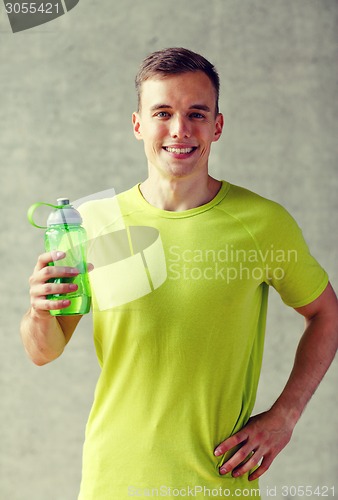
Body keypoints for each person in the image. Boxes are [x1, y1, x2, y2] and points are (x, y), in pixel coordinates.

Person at [21, 48, 338, 499]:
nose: (179, 130)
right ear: (137, 125)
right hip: (113, 482)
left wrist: (285, 416)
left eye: (196, 113)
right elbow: (43, 351)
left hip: (218, 484)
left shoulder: (263, 223)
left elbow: (327, 313)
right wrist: (38, 312)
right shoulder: (93, 223)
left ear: (217, 125)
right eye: (163, 113)